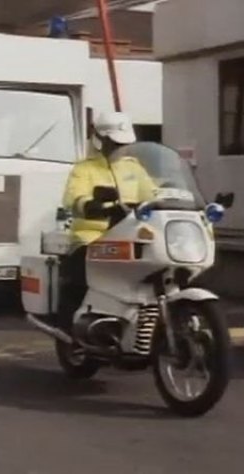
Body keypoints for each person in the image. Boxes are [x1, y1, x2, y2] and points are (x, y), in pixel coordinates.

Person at [56, 111, 157, 329]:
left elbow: (152, 194)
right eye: (113, 143)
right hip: (93, 237)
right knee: (80, 277)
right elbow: (74, 197)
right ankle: (72, 328)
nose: (118, 148)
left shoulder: (134, 168)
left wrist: (171, 199)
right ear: (99, 139)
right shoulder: (84, 169)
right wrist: (89, 205)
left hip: (129, 235)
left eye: (123, 143)